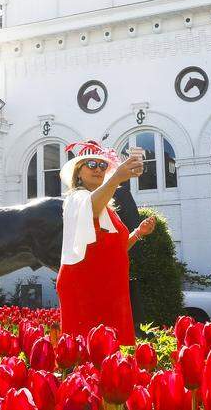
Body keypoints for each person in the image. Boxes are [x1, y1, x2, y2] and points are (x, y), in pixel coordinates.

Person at [55, 140, 156, 344]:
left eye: (102, 166)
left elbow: (115, 249)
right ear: (78, 173)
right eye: (91, 164)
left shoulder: (109, 209)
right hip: (85, 286)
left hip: (108, 287)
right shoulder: (77, 198)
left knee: (109, 352)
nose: (98, 169)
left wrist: (138, 233)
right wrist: (117, 176)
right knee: (87, 353)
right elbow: (90, 208)